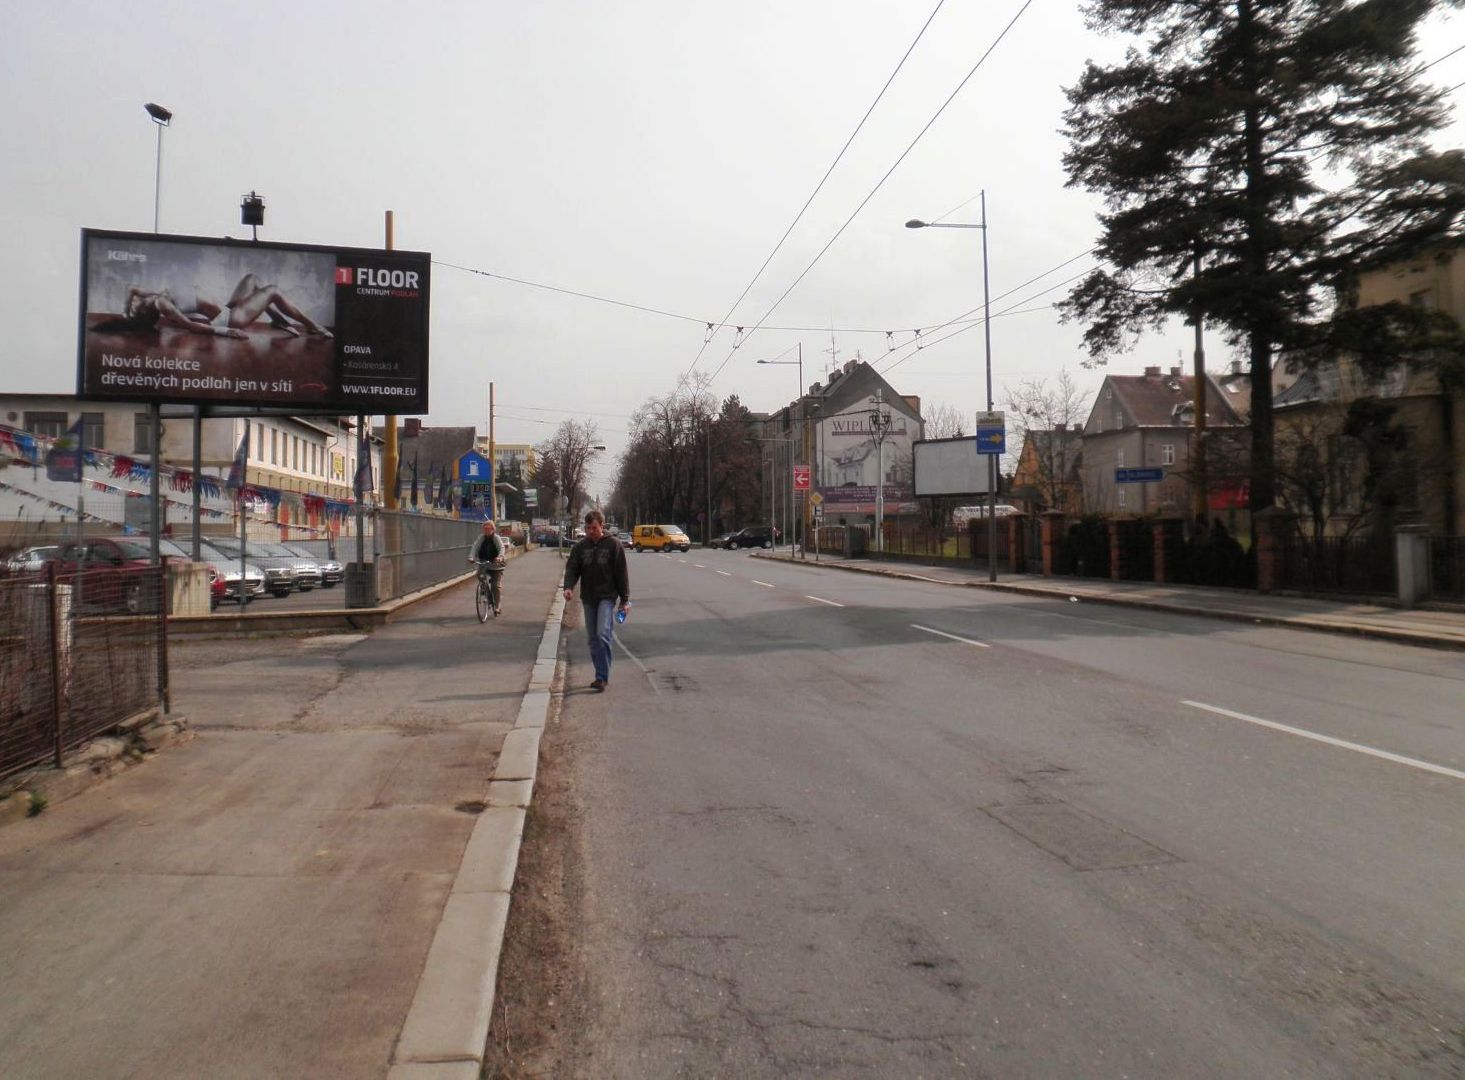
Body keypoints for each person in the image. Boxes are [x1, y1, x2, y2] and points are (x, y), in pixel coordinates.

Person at [93, 274, 333, 339]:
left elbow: (130, 288)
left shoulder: (147, 296)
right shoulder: (162, 303)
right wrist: (224, 331)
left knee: (252, 278)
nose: (134, 305)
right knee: (273, 290)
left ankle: (278, 319)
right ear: (145, 314)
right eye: (134, 310)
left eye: (133, 307)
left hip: (226, 307)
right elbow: (188, 324)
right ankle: (313, 326)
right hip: (229, 318)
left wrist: (125, 311)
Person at [562, 509, 630, 692]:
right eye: (588, 528)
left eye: (594, 528)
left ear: (602, 526)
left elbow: (622, 574)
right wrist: (568, 587)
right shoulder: (580, 547)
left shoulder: (614, 546)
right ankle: (599, 672)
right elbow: (572, 569)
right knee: (592, 639)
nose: (590, 531)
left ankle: (602, 677)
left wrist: (625, 600)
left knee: (602, 634)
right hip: (589, 597)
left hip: (607, 597)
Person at [468, 519, 507, 615]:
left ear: (493, 529)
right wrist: (471, 557)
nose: (486, 530)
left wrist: (500, 557)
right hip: (484, 563)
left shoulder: (496, 538)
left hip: (496, 565)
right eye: (485, 529)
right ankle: (486, 592)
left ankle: (497, 606)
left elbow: (501, 548)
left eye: (489, 529)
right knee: (480, 575)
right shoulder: (481, 538)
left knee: (495, 586)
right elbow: (475, 547)